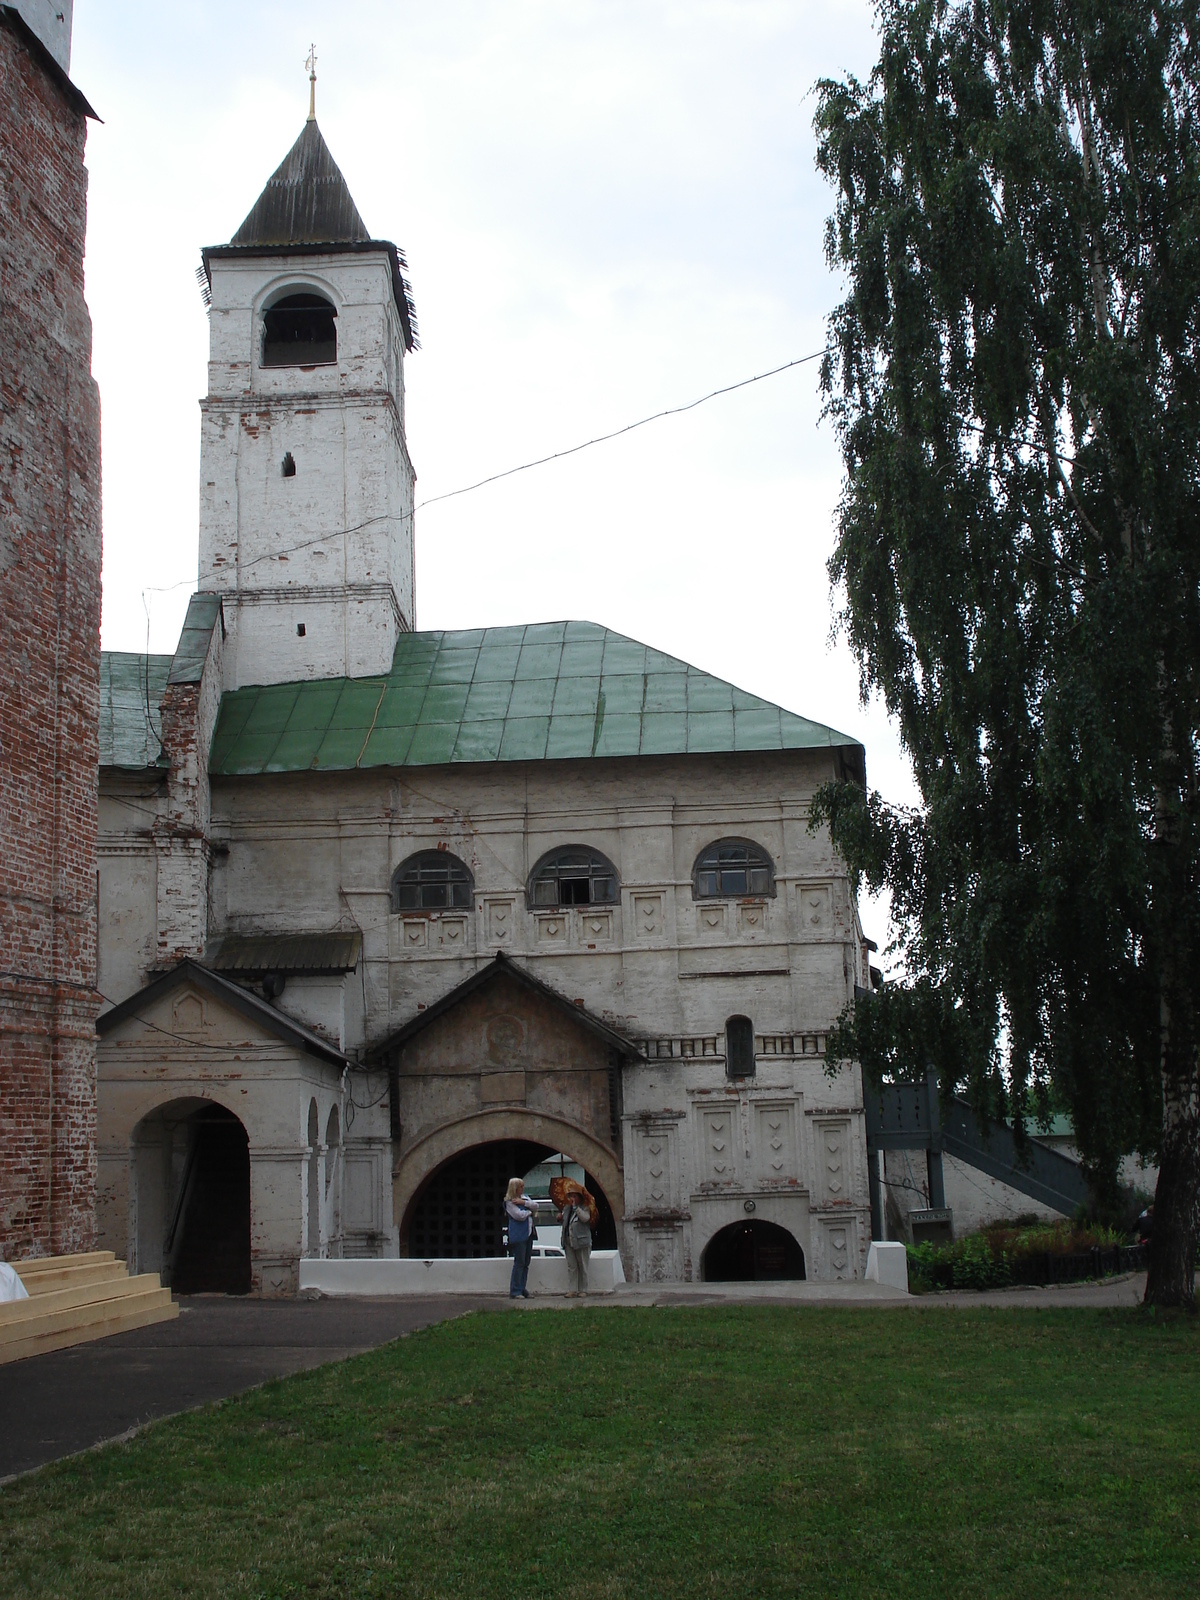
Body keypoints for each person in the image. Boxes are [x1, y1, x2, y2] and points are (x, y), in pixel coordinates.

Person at [504, 1177, 535, 1299]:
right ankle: (515, 1290)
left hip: (528, 1233)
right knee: (519, 1262)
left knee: (526, 1262)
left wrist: (525, 1203)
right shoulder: (509, 1202)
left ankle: (522, 1288)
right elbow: (519, 1215)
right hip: (518, 1235)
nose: (522, 1189)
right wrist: (529, 1212)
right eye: (520, 1187)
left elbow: (535, 1205)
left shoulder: (525, 1198)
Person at [560, 1189, 593, 1296]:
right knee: (572, 1266)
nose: (572, 1199)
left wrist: (576, 1209)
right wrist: (560, 1217)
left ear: (579, 1198)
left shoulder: (585, 1208)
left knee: (582, 1265)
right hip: (568, 1241)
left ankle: (583, 1290)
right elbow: (565, 1223)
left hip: (581, 1241)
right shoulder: (566, 1209)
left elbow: (585, 1218)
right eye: (571, 1197)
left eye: (574, 1196)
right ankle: (572, 1290)